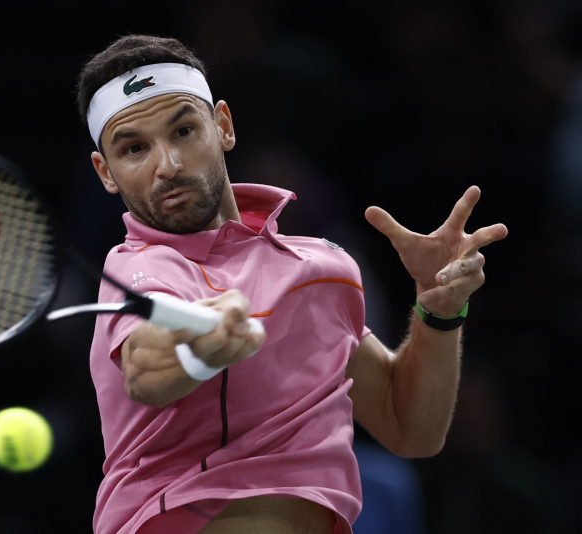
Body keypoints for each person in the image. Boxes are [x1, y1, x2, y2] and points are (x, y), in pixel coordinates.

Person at [78, 35, 507, 534]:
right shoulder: (138, 271)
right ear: (106, 173)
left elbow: (409, 429)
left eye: (184, 131)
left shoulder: (323, 267)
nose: (167, 166)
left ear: (223, 126)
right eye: (134, 148)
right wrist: (200, 349)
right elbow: (146, 369)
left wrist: (439, 311)